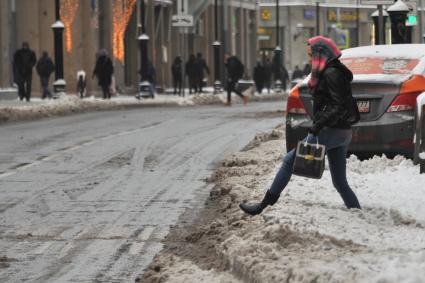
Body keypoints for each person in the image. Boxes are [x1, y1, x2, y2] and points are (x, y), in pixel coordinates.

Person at [240, 36, 361, 216]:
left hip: (329, 130)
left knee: (289, 160)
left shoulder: (331, 73)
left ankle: (263, 205)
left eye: (311, 51)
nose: (309, 55)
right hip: (341, 132)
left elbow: (338, 105)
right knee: (340, 182)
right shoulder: (333, 70)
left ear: (321, 51)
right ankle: (357, 213)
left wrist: (319, 124)